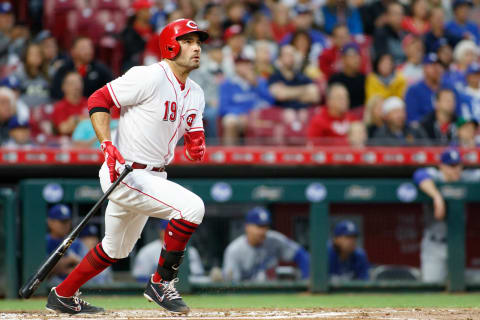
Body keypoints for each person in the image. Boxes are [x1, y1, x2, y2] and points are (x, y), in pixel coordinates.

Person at [45, 19, 209, 315]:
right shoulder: (148, 76)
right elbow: (99, 99)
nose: (196, 47)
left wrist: (197, 143)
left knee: (115, 249)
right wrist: (106, 142)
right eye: (188, 41)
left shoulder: (196, 91)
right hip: (126, 172)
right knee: (191, 208)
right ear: (171, 46)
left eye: (198, 42)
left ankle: (63, 294)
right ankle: (161, 282)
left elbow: (193, 128)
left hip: (154, 174)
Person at [413, 148, 480, 282]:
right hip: (434, 244)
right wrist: (437, 196)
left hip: (457, 243)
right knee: (431, 286)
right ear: (441, 166)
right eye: (451, 166)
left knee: (460, 287)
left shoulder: (465, 177)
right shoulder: (436, 176)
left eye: (458, 165)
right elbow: (419, 174)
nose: (455, 169)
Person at [222, 207, 309, 282]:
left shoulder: (275, 240)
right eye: (259, 226)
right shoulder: (234, 250)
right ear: (247, 227)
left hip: (271, 293)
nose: (263, 231)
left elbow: (302, 256)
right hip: (246, 295)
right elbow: (231, 283)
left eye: (265, 226)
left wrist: (306, 280)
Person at [219, 56, 273, 145]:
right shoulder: (227, 84)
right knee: (229, 122)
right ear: (235, 67)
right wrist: (240, 114)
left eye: (247, 64)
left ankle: (260, 156)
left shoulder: (259, 81)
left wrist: (256, 84)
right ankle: (229, 154)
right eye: (241, 64)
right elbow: (223, 108)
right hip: (237, 116)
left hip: (257, 116)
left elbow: (270, 101)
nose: (245, 67)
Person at [132, 220, 204, 283]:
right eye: (170, 230)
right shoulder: (147, 252)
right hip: (158, 291)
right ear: (161, 231)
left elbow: (198, 276)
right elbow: (140, 278)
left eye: (177, 230)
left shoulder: (191, 251)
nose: (174, 233)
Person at [268, 45, 320, 110]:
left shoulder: (302, 77)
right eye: (287, 55)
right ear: (280, 58)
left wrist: (287, 93)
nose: (290, 57)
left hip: (303, 112)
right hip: (283, 114)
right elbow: (280, 95)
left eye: (292, 55)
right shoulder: (275, 77)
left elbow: (315, 96)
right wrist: (305, 90)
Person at [46, 204, 84, 286]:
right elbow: (45, 270)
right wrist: (69, 260)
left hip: (75, 285)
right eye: (61, 222)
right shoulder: (44, 242)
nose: (65, 225)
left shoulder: (76, 242)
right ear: (50, 222)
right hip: (52, 286)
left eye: (67, 221)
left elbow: (85, 266)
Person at [405, 53, 445, 123]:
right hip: (423, 130)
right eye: (432, 65)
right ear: (424, 68)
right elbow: (413, 119)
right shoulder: (414, 91)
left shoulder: (447, 89)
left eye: (438, 65)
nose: (436, 68)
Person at [328, 43, 366, 109]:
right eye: (352, 56)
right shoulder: (335, 79)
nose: (356, 59)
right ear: (343, 59)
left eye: (357, 56)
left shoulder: (364, 79)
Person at [120, 0, 154, 71]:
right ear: (138, 12)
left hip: (152, 60)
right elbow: (131, 51)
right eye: (145, 10)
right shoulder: (129, 30)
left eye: (149, 10)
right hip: (134, 63)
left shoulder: (152, 28)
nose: (149, 13)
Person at [52, 72, 88, 137]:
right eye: (72, 83)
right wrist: (84, 119)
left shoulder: (90, 103)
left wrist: (74, 120)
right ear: (64, 87)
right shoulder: (59, 107)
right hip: (68, 144)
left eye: (78, 83)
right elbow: (64, 129)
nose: (76, 86)